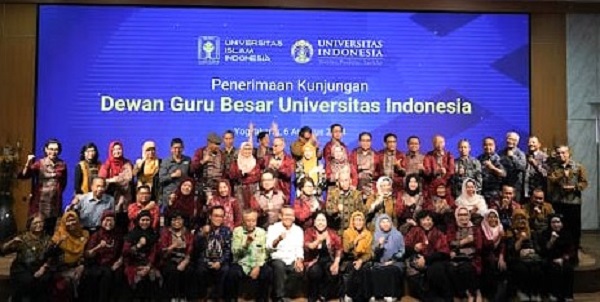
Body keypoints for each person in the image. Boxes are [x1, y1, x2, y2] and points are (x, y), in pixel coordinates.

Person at [19, 138, 68, 234]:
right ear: (46, 150)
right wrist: (28, 163)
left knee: (51, 230)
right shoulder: (39, 163)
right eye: (51, 149)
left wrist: (57, 192)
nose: (53, 152)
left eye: (56, 149)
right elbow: (24, 175)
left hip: (54, 203)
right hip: (40, 202)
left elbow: (63, 183)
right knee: (37, 227)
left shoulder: (62, 165)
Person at [547, 145, 588, 257]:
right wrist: (562, 175)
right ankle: (560, 251)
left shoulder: (578, 167)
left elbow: (584, 183)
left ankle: (574, 250)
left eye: (564, 152)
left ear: (569, 153)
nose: (561, 155)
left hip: (573, 202)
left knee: (574, 227)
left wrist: (574, 187)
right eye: (559, 153)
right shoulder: (553, 167)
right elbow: (551, 179)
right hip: (558, 202)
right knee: (559, 227)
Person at [0, 213, 52, 302]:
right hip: (22, 267)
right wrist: (11, 243)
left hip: (40, 266)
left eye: (41, 222)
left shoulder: (47, 239)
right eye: (35, 223)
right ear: (30, 225)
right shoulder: (23, 237)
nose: (39, 225)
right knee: (27, 280)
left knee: (44, 279)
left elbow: (51, 256)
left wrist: (43, 267)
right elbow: (3, 250)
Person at [403, 210, 453, 301]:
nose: (427, 222)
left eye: (429, 220)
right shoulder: (413, 231)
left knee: (437, 269)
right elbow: (404, 248)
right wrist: (414, 248)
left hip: (433, 260)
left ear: (433, 221)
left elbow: (444, 252)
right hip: (415, 260)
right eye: (424, 220)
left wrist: (426, 259)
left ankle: (447, 298)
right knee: (413, 274)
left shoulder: (438, 232)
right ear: (419, 221)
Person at [228, 208, 272, 302]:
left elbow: (263, 252)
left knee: (267, 272)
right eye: (248, 220)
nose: (250, 223)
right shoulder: (237, 231)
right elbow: (235, 252)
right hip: (241, 263)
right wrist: (246, 244)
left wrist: (258, 266)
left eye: (253, 220)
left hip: (257, 263)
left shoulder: (261, 232)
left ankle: (261, 300)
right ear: (243, 221)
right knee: (232, 273)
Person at [81, 210, 124, 302]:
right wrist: (98, 247)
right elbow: (87, 254)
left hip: (114, 263)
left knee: (119, 275)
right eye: (106, 220)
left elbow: (123, 251)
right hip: (99, 264)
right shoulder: (96, 235)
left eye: (111, 220)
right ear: (102, 222)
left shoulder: (118, 234)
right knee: (105, 274)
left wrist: (119, 262)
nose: (108, 223)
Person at [193, 205, 232, 301]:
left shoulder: (226, 231)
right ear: (210, 216)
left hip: (220, 261)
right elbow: (197, 249)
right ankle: (203, 296)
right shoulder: (202, 230)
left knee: (225, 270)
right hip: (205, 260)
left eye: (221, 216)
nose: (218, 218)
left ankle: (218, 297)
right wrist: (202, 235)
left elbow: (228, 250)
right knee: (200, 269)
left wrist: (219, 262)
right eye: (216, 215)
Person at [48, 211, 89, 301]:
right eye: (68, 220)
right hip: (61, 268)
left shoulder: (84, 234)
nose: (71, 223)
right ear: (64, 222)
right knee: (66, 283)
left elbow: (86, 253)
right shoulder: (58, 235)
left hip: (78, 266)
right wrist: (59, 243)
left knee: (86, 278)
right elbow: (50, 254)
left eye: (73, 220)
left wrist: (81, 265)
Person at [267, 206, 305, 302]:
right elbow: (268, 246)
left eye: (291, 215)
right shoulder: (273, 228)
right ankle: (280, 297)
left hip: (292, 258)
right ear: (280, 216)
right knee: (279, 266)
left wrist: (299, 260)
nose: (289, 217)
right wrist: (278, 239)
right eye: (286, 215)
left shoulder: (298, 230)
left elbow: (299, 247)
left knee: (298, 270)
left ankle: (284, 295)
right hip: (277, 258)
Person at [446, 206, 483, 301]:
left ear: (469, 216)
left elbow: (479, 246)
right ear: (456, 216)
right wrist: (465, 241)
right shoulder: (453, 228)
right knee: (451, 269)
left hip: (472, 257)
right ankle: (465, 294)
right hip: (456, 256)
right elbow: (450, 242)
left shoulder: (475, 228)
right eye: (460, 215)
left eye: (465, 214)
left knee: (465, 268)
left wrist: (458, 245)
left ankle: (475, 292)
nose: (463, 217)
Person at [303, 212, 342, 302]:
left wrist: (336, 263)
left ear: (327, 222)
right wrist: (319, 240)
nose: (321, 223)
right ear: (314, 222)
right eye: (318, 220)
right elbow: (309, 246)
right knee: (315, 271)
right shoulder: (309, 231)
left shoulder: (332, 233)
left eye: (323, 220)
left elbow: (339, 249)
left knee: (332, 271)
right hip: (313, 260)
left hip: (328, 260)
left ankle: (323, 296)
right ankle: (313, 296)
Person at [122, 210, 161, 300]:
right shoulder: (131, 235)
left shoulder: (153, 235)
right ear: (138, 221)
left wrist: (148, 267)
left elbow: (155, 252)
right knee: (138, 281)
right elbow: (125, 252)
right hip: (133, 263)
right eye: (142, 220)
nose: (145, 222)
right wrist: (138, 245)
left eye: (147, 220)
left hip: (149, 264)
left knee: (152, 278)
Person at [506, 209, 544, 301]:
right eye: (518, 219)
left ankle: (535, 292)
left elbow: (538, 248)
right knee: (522, 269)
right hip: (517, 258)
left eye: (523, 218)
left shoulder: (532, 232)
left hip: (531, 257)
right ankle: (523, 291)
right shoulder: (510, 232)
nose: (521, 221)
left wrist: (531, 250)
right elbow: (511, 250)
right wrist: (521, 239)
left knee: (536, 269)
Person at [159, 211, 195, 301]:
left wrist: (184, 262)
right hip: (169, 259)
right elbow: (162, 253)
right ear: (170, 221)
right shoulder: (165, 232)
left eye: (179, 219)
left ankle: (184, 297)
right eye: (174, 220)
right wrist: (172, 246)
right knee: (172, 271)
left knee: (189, 271)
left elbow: (190, 250)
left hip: (185, 259)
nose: (176, 222)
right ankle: (173, 297)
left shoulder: (188, 233)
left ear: (183, 220)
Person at [539, 214, 576, 301]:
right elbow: (544, 251)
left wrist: (562, 259)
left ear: (562, 224)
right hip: (550, 258)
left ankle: (568, 295)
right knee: (554, 270)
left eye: (558, 222)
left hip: (563, 258)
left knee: (568, 269)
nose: (556, 224)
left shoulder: (567, 234)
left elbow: (571, 250)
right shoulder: (545, 234)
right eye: (553, 222)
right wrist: (552, 240)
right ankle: (554, 294)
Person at [370, 214, 405, 301]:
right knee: (374, 270)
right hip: (380, 261)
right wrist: (380, 245)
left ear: (391, 223)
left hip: (396, 261)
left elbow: (402, 251)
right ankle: (378, 294)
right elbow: (374, 254)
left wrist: (393, 260)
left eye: (387, 221)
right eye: (383, 222)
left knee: (391, 269)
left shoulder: (398, 234)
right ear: (379, 224)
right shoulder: (376, 235)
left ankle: (392, 295)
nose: (385, 224)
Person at [341, 211, 373, 302]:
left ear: (364, 222)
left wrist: (361, 260)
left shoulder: (368, 234)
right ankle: (350, 294)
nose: (359, 222)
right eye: (357, 220)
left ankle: (366, 296)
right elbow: (346, 250)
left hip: (363, 259)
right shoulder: (347, 233)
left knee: (365, 268)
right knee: (354, 268)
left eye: (361, 220)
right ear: (353, 222)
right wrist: (356, 240)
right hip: (349, 258)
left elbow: (369, 252)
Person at [480, 209, 508, 301]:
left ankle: (500, 296)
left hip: (498, 254)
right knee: (491, 265)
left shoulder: (500, 227)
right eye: (490, 217)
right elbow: (486, 245)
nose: (492, 219)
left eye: (495, 216)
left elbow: (503, 245)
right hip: (485, 254)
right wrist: (498, 237)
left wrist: (501, 256)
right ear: (486, 218)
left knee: (503, 266)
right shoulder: (482, 228)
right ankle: (489, 295)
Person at [325, 171, 365, 236]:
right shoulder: (333, 194)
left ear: (350, 181)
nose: (344, 183)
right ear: (338, 182)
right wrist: (336, 209)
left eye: (346, 180)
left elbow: (362, 212)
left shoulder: (357, 195)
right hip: (337, 232)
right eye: (342, 181)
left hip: (353, 232)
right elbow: (328, 211)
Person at [99, 141, 134, 211]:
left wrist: (112, 180)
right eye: (114, 149)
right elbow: (101, 180)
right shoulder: (106, 164)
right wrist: (112, 180)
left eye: (119, 149)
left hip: (125, 195)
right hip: (109, 195)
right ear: (111, 151)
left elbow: (128, 178)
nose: (117, 151)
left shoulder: (127, 163)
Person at [191, 132, 226, 203]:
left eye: (219, 144)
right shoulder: (200, 152)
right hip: (203, 186)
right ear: (209, 143)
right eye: (215, 144)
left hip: (217, 188)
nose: (217, 146)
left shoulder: (221, 154)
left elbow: (224, 171)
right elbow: (192, 168)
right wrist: (203, 161)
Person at [159, 137, 191, 208]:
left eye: (180, 148)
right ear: (171, 149)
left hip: (184, 195)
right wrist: (172, 175)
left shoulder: (188, 160)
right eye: (175, 148)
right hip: (169, 195)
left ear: (183, 148)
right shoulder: (165, 162)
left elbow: (191, 177)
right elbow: (161, 179)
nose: (177, 150)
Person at [229, 141, 261, 209]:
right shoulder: (235, 163)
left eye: (249, 149)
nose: (247, 151)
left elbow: (258, 176)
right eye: (245, 149)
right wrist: (240, 174)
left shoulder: (255, 163)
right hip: (239, 190)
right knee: (240, 211)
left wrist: (245, 177)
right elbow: (231, 175)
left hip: (252, 190)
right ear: (241, 150)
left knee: (252, 209)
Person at [351, 132, 380, 201]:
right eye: (363, 140)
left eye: (368, 140)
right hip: (357, 187)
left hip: (371, 188)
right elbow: (352, 171)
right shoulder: (354, 154)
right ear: (359, 142)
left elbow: (378, 172)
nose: (365, 143)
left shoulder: (376, 155)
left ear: (371, 142)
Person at [499, 131, 527, 201]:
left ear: (517, 142)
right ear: (506, 140)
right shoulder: (500, 153)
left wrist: (513, 157)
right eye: (510, 139)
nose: (511, 141)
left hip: (516, 186)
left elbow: (523, 167)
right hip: (503, 185)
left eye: (514, 140)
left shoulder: (521, 154)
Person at [478, 137, 506, 202]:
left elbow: (503, 174)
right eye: (485, 145)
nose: (488, 147)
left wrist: (492, 167)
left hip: (495, 193)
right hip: (482, 193)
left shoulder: (500, 158)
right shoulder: (479, 158)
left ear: (495, 146)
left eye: (490, 145)